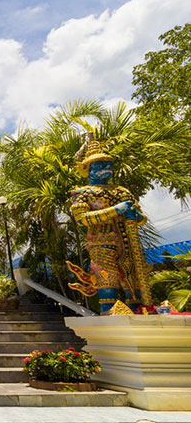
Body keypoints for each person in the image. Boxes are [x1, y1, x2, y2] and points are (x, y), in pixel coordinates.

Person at [66, 132, 151, 313]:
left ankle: (138, 321)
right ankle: (110, 324)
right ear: (88, 168)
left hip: (129, 246)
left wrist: (136, 216)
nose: (106, 168)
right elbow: (82, 219)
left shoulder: (122, 191)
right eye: (100, 165)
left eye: (108, 165)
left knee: (135, 292)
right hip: (102, 246)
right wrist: (116, 210)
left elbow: (141, 218)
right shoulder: (83, 193)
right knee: (108, 290)